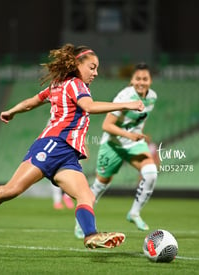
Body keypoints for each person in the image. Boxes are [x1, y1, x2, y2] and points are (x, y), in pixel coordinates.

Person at [0, 44, 145, 249]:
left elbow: (32, 102)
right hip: (52, 146)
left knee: (86, 196)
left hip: (67, 155)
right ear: (76, 64)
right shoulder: (75, 85)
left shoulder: (59, 85)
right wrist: (126, 105)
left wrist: (12, 111)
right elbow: (89, 107)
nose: (96, 73)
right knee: (10, 190)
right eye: (92, 67)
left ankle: (90, 235)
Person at [74, 63, 158, 239]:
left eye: (145, 79)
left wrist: (138, 134)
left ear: (150, 80)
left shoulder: (152, 98)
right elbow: (106, 125)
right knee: (100, 185)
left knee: (151, 173)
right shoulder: (124, 97)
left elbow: (139, 119)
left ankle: (134, 213)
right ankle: (81, 223)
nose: (141, 82)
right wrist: (129, 134)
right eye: (138, 78)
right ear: (132, 80)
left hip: (134, 144)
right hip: (113, 145)